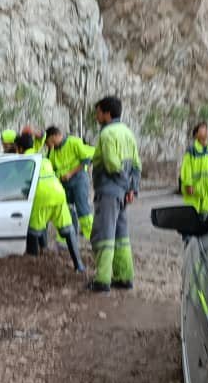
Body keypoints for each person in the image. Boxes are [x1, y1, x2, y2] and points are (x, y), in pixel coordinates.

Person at [89, 96, 141, 293]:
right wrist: (131, 189)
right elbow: (136, 165)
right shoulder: (128, 133)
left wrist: (123, 187)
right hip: (122, 193)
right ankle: (125, 276)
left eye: (98, 112)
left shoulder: (107, 134)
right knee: (121, 236)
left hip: (109, 191)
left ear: (107, 113)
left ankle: (102, 280)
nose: (96, 116)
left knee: (104, 235)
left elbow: (111, 164)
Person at [17, 134, 85, 272]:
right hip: (58, 192)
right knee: (67, 228)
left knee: (34, 230)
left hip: (40, 195)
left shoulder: (23, 161)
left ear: (19, 148)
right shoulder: (43, 158)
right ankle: (79, 265)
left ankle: (34, 264)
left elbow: (16, 182)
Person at [45, 126, 95, 240]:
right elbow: (50, 167)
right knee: (66, 211)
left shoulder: (74, 142)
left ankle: (91, 237)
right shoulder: (52, 151)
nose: (48, 145)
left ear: (54, 136)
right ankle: (68, 239)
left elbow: (86, 160)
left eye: (48, 142)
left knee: (83, 210)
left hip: (79, 179)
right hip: (63, 184)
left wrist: (70, 173)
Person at [180, 122, 208, 216]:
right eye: (202, 129)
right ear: (196, 135)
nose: (206, 131)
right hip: (194, 190)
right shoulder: (192, 150)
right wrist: (188, 184)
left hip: (207, 190)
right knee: (192, 217)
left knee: (205, 216)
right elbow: (186, 169)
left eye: (206, 129)